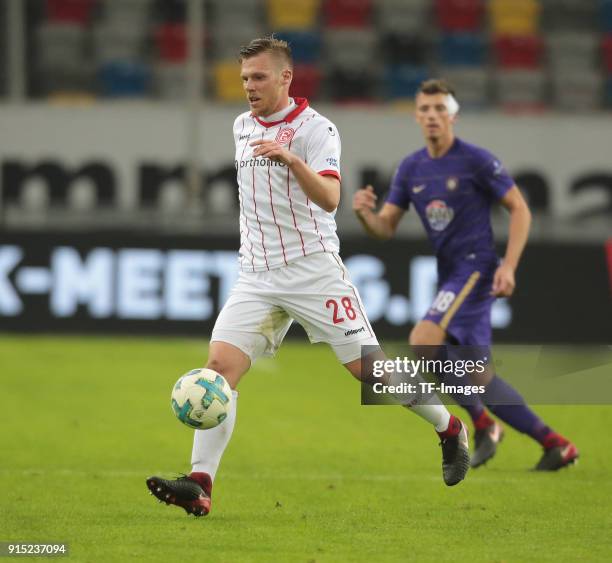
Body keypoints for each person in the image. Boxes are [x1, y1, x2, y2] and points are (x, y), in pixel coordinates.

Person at [146, 40, 469, 518]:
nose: (249, 87)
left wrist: (291, 160)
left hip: (313, 271)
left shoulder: (317, 130)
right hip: (255, 276)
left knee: (372, 375)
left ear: (285, 78)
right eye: (244, 79)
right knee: (219, 373)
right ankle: (199, 483)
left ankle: (449, 429)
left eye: (258, 77)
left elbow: (332, 199)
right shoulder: (241, 125)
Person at [352, 79, 579, 472]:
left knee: (422, 342)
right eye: (425, 109)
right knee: (476, 376)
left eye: (440, 109)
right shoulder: (411, 167)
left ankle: (483, 423)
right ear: (417, 116)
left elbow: (520, 209)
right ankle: (553, 442)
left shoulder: (476, 160)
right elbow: (386, 227)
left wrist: (508, 265)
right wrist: (364, 216)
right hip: (451, 273)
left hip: (476, 267)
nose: (432, 116)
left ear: (453, 115)